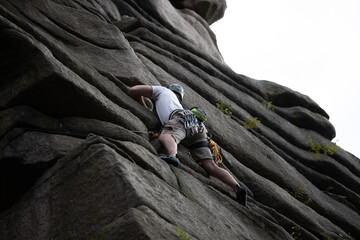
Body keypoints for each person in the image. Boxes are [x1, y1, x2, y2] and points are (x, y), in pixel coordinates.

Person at [129, 84, 247, 206]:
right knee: (211, 166)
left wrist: (143, 106)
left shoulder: (162, 91)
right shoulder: (178, 104)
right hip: (199, 128)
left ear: (171, 90)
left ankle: (172, 156)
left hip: (182, 119)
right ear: (180, 96)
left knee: (166, 136)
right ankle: (237, 188)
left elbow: (134, 90)